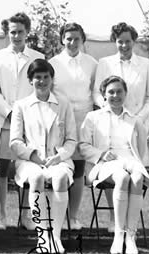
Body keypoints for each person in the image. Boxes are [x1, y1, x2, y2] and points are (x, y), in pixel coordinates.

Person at [93, 22, 149, 231]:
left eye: (127, 41)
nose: (124, 45)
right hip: (111, 128)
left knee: (136, 175)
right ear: (115, 42)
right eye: (120, 42)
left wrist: (136, 118)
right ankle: (115, 220)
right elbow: (97, 92)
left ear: (134, 41)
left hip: (136, 128)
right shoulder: (104, 63)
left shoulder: (146, 64)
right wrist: (109, 108)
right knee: (115, 174)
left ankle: (131, 225)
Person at [10, 59, 77, 254]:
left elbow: (72, 139)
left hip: (58, 160)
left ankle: (55, 236)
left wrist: (59, 156)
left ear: (51, 79)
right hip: (30, 161)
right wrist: (34, 157)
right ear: (30, 80)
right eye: (37, 77)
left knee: (60, 178)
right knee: (37, 178)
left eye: (46, 77)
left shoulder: (63, 104)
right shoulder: (21, 105)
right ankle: (43, 235)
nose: (42, 81)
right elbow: (15, 141)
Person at [79, 76, 149, 254]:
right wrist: (101, 154)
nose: (115, 95)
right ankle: (119, 235)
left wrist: (138, 163)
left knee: (137, 177)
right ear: (103, 94)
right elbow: (83, 146)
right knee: (122, 177)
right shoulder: (93, 117)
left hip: (129, 160)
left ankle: (130, 236)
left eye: (119, 91)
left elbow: (140, 149)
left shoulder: (134, 119)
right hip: (105, 163)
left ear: (125, 94)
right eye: (111, 92)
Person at [0, 12, 44, 230]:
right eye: (12, 32)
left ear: (27, 32)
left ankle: (25, 215)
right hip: (4, 120)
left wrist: (23, 113)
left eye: (20, 32)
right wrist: (8, 110)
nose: (17, 36)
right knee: (2, 169)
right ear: (7, 33)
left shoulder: (37, 57)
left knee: (28, 166)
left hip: (29, 121)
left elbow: (40, 88)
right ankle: (1, 216)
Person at [49, 23, 97, 230]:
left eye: (77, 38)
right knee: (57, 166)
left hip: (84, 119)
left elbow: (96, 93)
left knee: (78, 169)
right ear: (62, 39)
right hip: (58, 118)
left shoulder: (92, 63)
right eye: (68, 38)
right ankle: (54, 216)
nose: (72, 42)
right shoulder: (53, 63)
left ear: (82, 40)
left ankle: (74, 216)